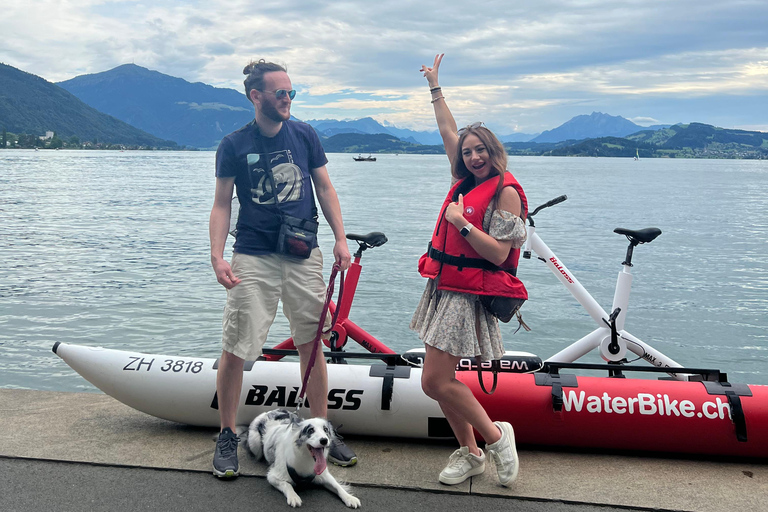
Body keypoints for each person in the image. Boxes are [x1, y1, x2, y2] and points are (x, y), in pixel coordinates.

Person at [209, 59, 356, 478]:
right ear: (256, 96)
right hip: (253, 254)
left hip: (302, 252)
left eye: (292, 92)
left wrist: (340, 238)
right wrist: (217, 256)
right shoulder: (233, 144)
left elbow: (324, 187)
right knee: (237, 345)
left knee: (312, 342)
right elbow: (221, 204)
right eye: (281, 93)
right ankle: (226, 433)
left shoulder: (304, 134)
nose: (288, 99)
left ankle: (321, 429)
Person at [410, 54, 528, 487]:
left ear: (494, 152)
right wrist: (435, 87)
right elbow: (448, 130)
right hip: (444, 286)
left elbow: (499, 254)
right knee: (439, 381)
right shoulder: (463, 182)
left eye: (481, 150)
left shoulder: (505, 193)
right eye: (468, 151)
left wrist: (461, 224)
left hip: (468, 292)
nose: (474, 157)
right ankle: (471, 453)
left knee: (435, 381)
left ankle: (496, 438)